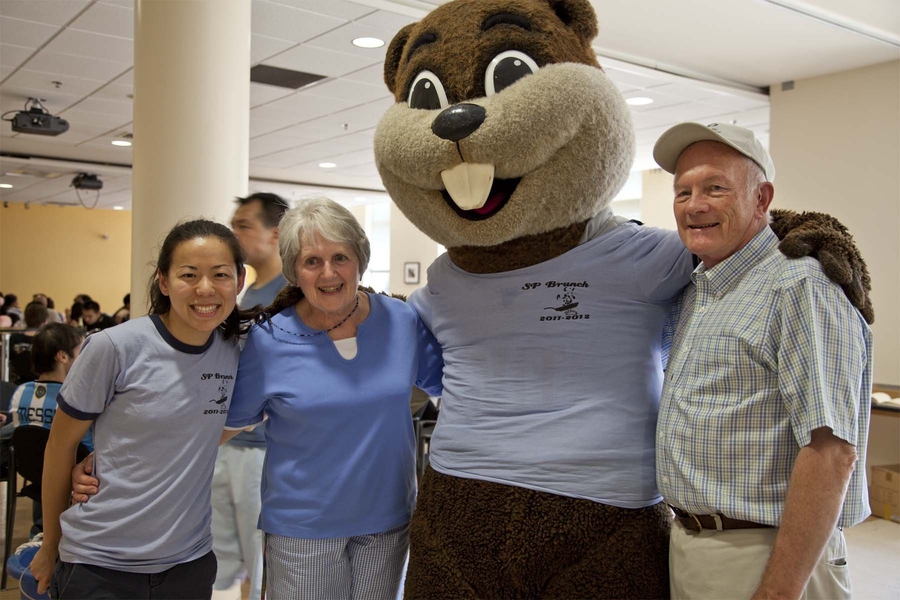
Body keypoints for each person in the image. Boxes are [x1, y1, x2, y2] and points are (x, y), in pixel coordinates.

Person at [652, 122, 872, 600]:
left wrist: (778, 591)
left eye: (715, 187)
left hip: (765, 554)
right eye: (683, 191)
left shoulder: (799, 286)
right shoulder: (699, 291)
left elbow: (832, 453)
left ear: (761, 198)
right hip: (695, 547)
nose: (695, 205)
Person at [221, 197, 443, 599]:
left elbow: (457, 389)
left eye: (340, 257)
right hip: (303, 530)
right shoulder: (269, 339)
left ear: (360, 259)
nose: (328, 272)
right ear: (294, 270)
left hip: (387, 521)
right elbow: (224, 427)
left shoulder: (402, 321)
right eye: (312, 261)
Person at [30, 219, 249, 598]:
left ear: (239, 280)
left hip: (189, 565)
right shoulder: (114, 348)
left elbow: (202, 433)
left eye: (220, 274)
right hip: (99, 565)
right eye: (189, 274)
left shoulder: (237, 350)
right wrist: (50, 545)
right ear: (164, 282)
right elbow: (60, 447)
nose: (205, 288)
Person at [211, 192, 290, 598]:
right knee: (228, 558)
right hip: (226, 441)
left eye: (244, 225)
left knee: (261, 562)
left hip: (262, 450)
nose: (235, 233)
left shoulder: (289, 294)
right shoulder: (250, 290)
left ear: (275, 233)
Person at [10, 322, 91, 536]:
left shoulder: (19, 393)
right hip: (81, 483)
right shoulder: (75, 398)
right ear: (63, 357)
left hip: (34, 474)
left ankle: (40, 530)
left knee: (43, 463)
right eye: (80, 351)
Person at [9, 301, 51, 384]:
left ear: (25, 318)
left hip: (16, 383)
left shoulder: (14, 338)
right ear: (45, 321)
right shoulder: (48, 340)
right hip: (43, 383)